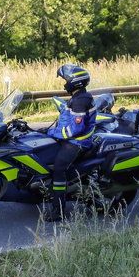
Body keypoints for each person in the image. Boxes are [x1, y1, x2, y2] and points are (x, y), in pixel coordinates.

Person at [45, 64, 96, 222]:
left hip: (77, 142)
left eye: (66, 80)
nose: (64, 83)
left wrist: (52, 132)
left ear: (75, 82)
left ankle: (58, 210)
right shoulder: (79, 97)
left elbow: (75, 129)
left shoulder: (80, 101)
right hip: (72, 139)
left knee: (59, 169)